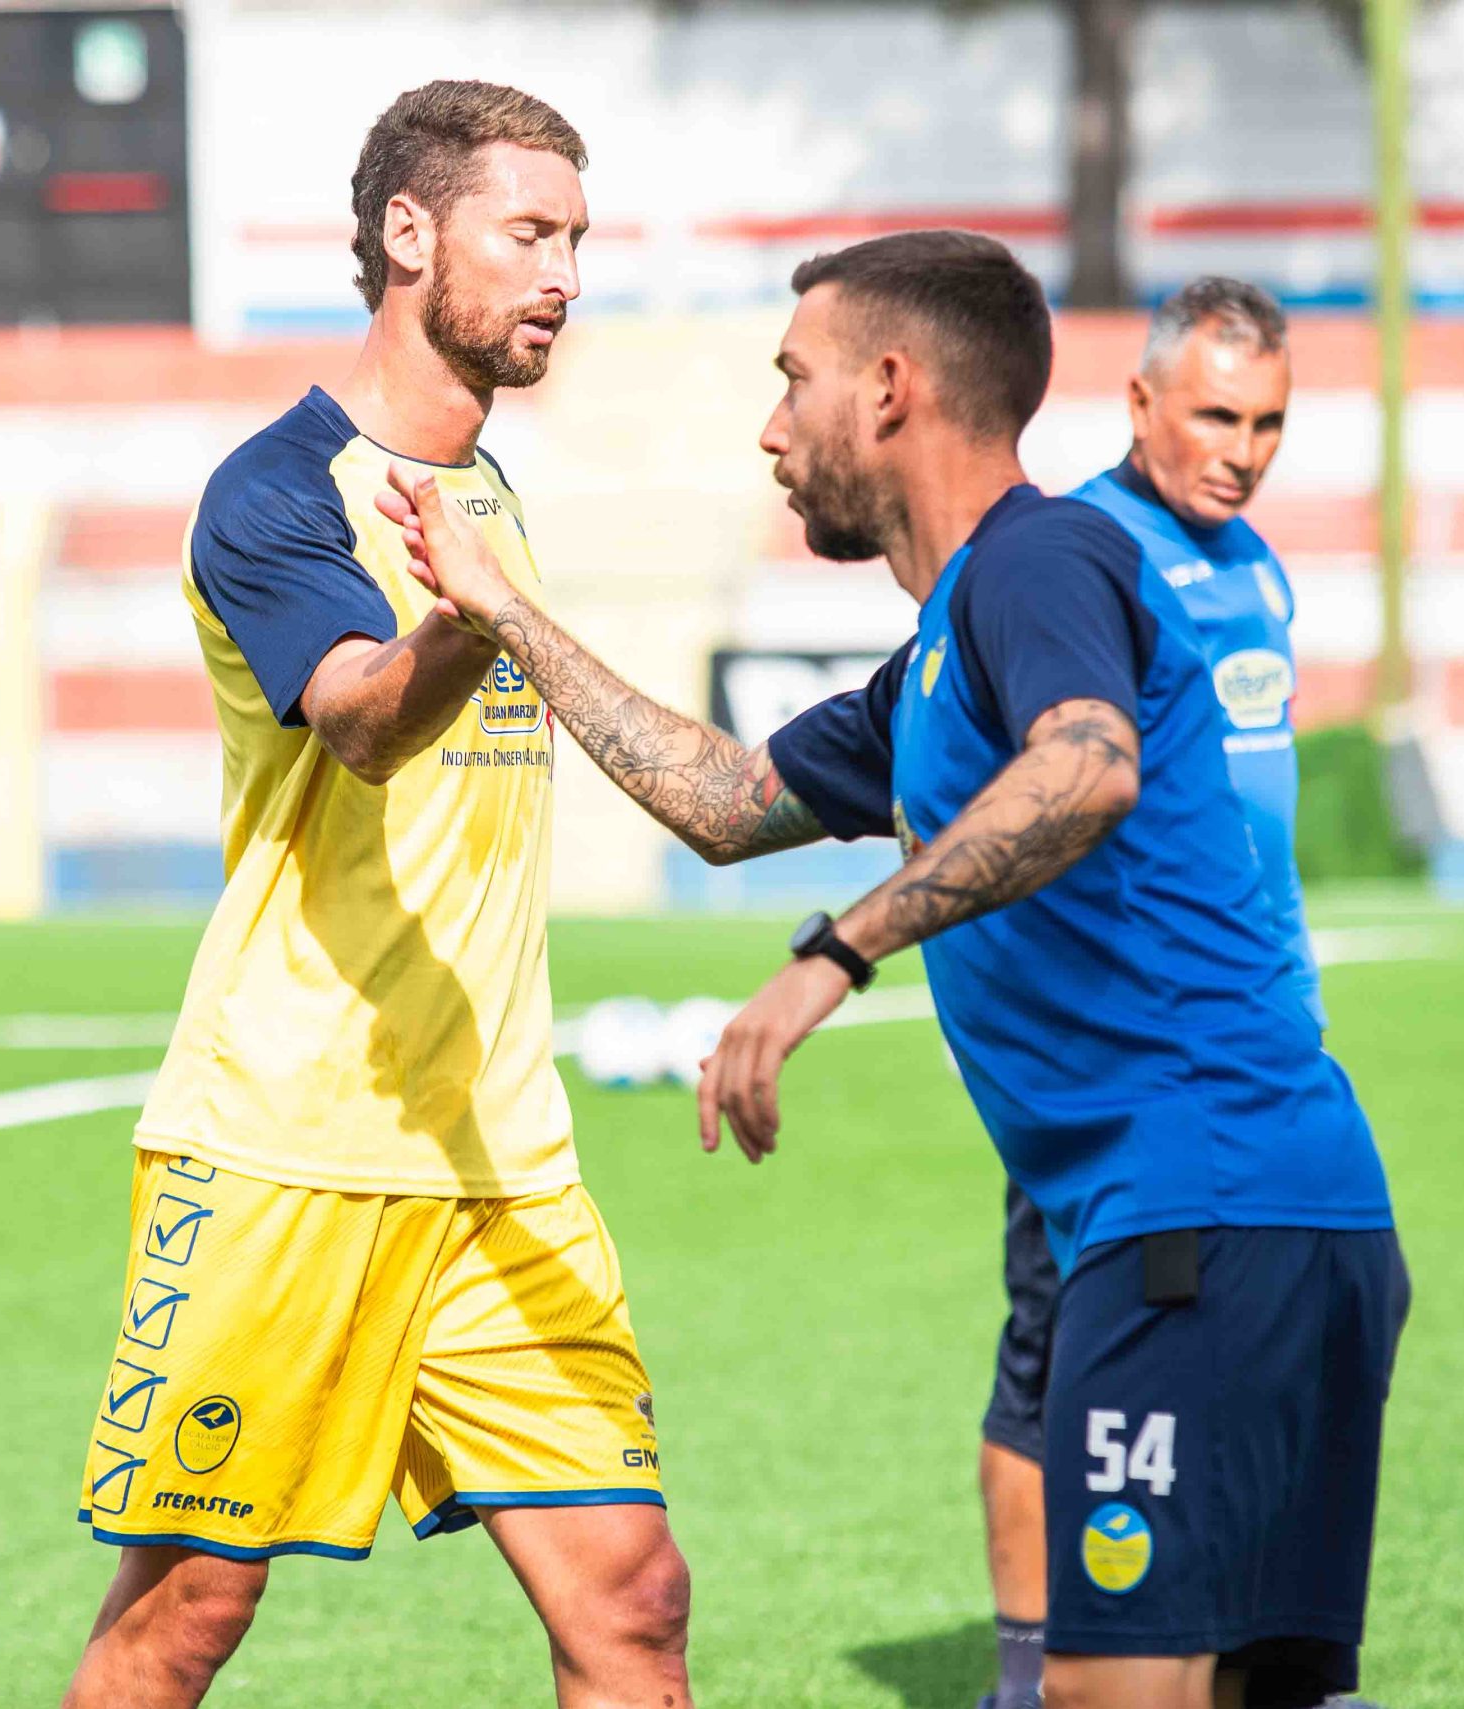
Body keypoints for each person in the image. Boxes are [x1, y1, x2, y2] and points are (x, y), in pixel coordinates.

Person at [382, 231, 1407, 1709]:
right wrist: (508, 616)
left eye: (791, 379)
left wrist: (836, 952)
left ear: (887, 388)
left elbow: (1088, 764)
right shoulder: (944, 649)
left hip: (1200, 1217)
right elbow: (725, 800)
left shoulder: (1043, 561)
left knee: (1108, 1694)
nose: (770, 427)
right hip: (1273, 1211)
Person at [60, 82, 693, 1709]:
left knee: (632, 1597)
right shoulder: (274, 489)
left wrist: (482, 600)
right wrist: (468, 621)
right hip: (289, 1141)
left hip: (498, 1155)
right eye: (528, 233)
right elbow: (355, 717)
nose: (563, 275)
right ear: (410, 234)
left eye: (577, 241)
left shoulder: (488, 499)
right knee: (188, 1610)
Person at [975, 276, 1327, 1709]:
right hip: (1118, 1054)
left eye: (1267, 423)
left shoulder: (1259, 569)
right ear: (1138, 402)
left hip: (1257, 1039)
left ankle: (1223, 1651)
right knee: (1062, 1354)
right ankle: (1027, 1675)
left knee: (1251, 1353)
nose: (1241, 451)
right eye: (1215, 416)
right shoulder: (1077, 557)